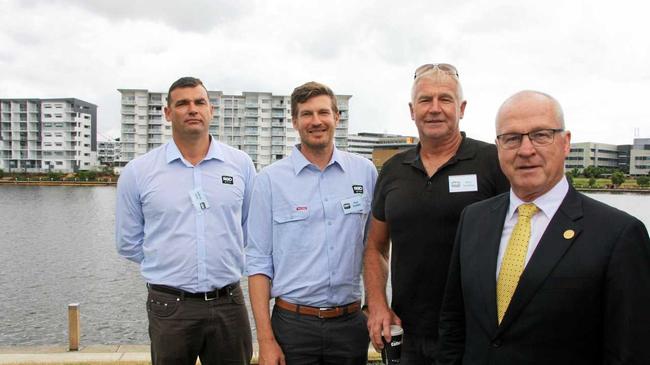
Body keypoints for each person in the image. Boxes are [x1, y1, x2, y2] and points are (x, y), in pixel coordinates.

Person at [437, 91, 650, 364]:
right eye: (512, 138)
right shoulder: (473, 220)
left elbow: (629, 350)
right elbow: (453, 323)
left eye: (541, 135)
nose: (526, 150)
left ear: (565, 142)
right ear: (498, 147)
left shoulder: (619, 235)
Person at [363, 63, 509, 364]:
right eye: (425, 100)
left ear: (462, 107)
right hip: (408, 332)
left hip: (478, 332)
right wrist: (377, 303)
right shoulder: (393, 170)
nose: (434, 109)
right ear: (412, 110)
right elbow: (376, 246)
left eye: (445, 99)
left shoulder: (493, 163)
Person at [115, 77, 255, 365]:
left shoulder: (240, 165)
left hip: (229, 302)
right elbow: (128, 242)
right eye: (182, 103)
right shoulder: (139, 172)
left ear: (211, 110)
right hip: (170, 306)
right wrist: (170, 262)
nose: (192, 109)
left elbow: (250, 230)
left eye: (199, 102)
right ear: (168, 113)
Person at [247, 81, 377, 365]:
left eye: (323, 113)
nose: (316, 121)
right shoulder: (269, 181)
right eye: (307, 114)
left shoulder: (365, 173)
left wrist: (373, 306)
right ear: (295, 121)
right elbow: (257, 264)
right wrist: (266, 340)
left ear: (336, 117)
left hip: (350, 326)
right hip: (292, 328)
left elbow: (375, 249)